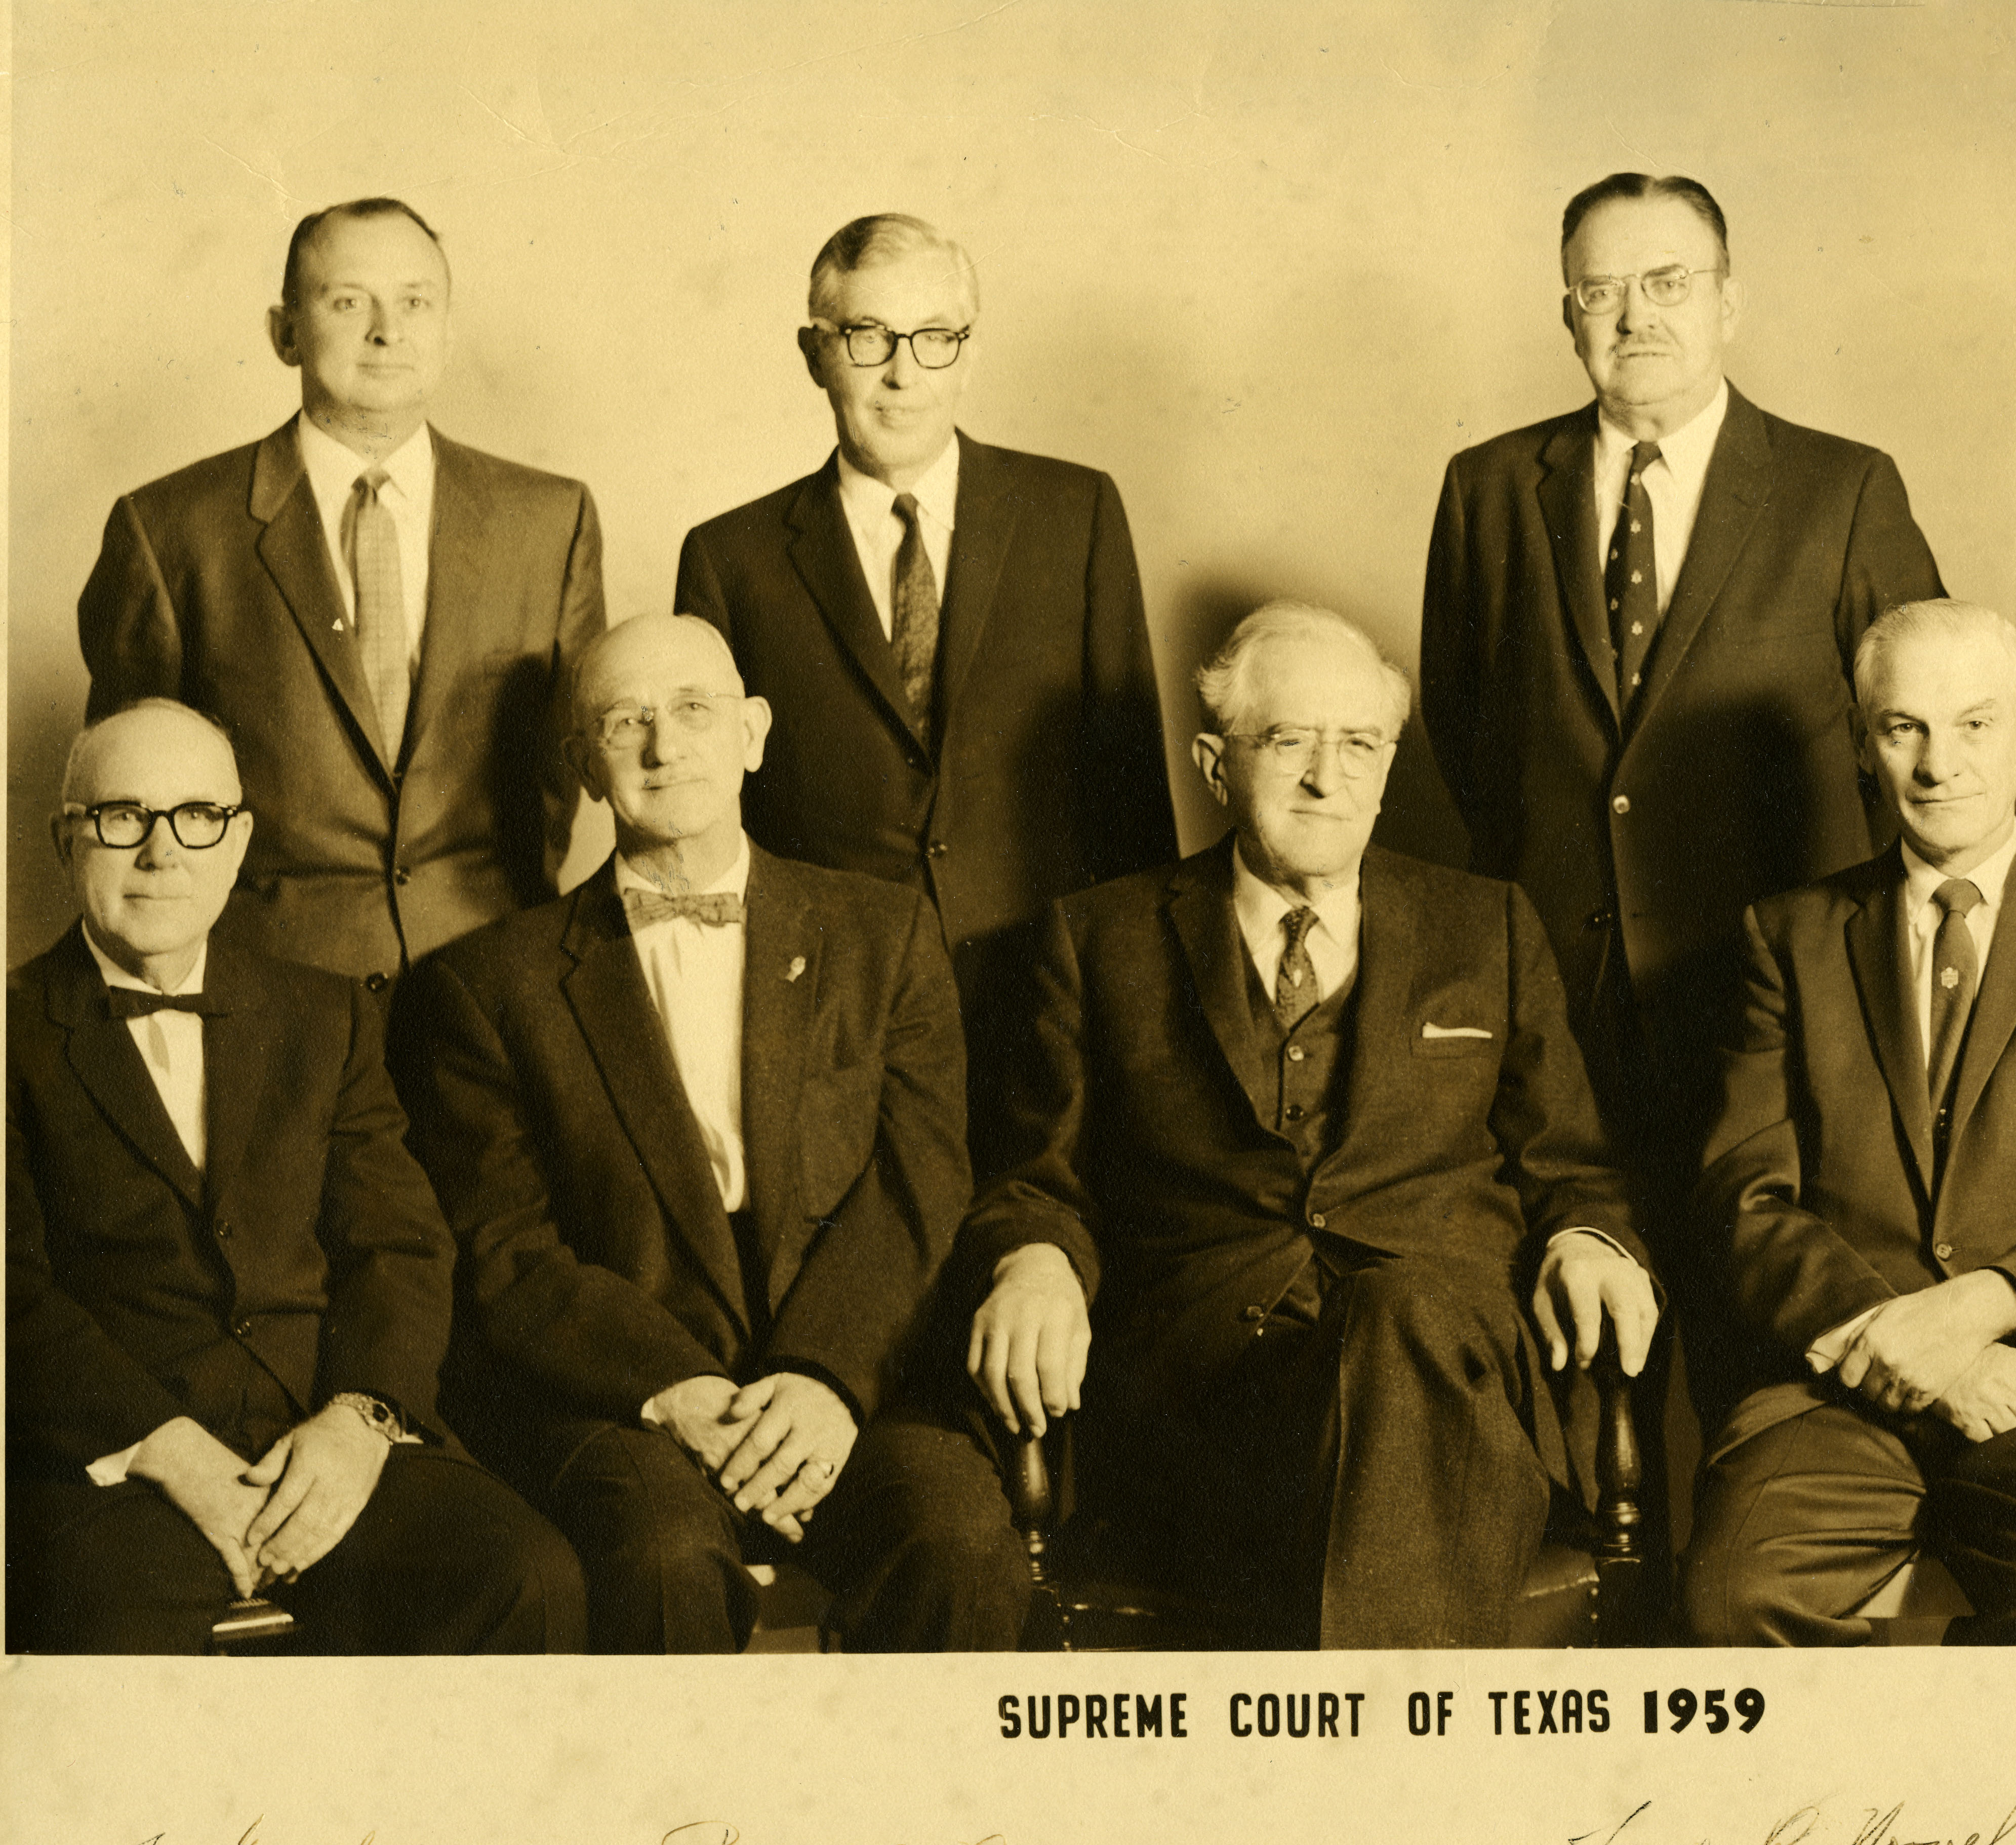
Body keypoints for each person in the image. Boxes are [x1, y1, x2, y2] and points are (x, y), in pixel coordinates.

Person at [958, 602, 1659, 1649]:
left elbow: (1575, 1168)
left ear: (1387, 766)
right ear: (1213, 763)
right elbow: (1036, 1178)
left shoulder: (1489, 925)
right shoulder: (1099, 936)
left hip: (1449, 1372)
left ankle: (1348, 1781)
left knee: (1398, 1315)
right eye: (1288, 741)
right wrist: (1033, 1261)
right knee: (1363, 1394)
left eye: (1360, 744)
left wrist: (1589, 1238)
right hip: (1212, 1401)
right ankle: (1402, 1780)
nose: (1328, 779)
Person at [399, 615, 1025, 1653]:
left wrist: (826, 1378)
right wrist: (676, 1391)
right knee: (659, 1564)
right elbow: (509, 1245)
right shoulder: (485, 986)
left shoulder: (885, 932)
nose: (663, 744)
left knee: (959, 1541)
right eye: (625, 721)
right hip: (627, 1393)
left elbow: (919, 1184)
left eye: (694, 710)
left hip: (849, 1376)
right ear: (584, 769)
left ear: (754, 732)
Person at [1684, 602, 2016, 1646]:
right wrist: (1912, 1343)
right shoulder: (1786, 935)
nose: (1939, 764)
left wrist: (1983, 1311)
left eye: (1974, 725)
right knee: (1729, 1596)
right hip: (1837, 1379)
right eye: (1904, 728)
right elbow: (1745, 1199)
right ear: (1862, 743)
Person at [8, 700, 581, 1654]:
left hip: (321, 1440)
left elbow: (398, 1244)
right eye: (123, 817)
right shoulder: (11, 1033)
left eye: (198, 817)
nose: (163, 853)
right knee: (104, 1630)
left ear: (239, 845)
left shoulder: (325, 1016)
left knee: (528, 1578)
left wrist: (360, 1421)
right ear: (66, 838)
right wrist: (169, 1449)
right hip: (111, 1471)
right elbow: (10, 1296)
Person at [1420, 171, 1943, 1182]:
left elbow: (1918, 741)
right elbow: (1465, 726)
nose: (1633, 317)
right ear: (1567, 313)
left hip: (1780, 981)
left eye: (1667, 283)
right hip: (1562, 987)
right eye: (1600, 290)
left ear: (1728, 301)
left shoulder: (1843, 488)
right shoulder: (1486, 488)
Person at [674, 212, 1174, 1059]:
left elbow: (1131, 796)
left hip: (1051, 1000)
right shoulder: (732, 558)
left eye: (937, 337)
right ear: (814, 354)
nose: (904, 374)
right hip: (831, 1013)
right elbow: (712, 820)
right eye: (868, 336)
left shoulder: (1074, 514)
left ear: (971, 352)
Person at [75, 197, 605, 993]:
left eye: (417, 301)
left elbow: (563, 772)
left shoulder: (551, 519)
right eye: (348, 301)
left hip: (497, 985)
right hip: (267, 998)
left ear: (448, 327)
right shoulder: (171, 530)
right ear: (285, 332)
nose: (388, 330)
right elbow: (126, 802)